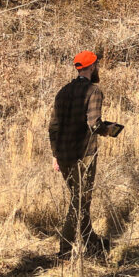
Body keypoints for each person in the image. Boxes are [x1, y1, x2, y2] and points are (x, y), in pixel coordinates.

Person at [48, 50, 113, 259]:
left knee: (80, 200)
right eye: (97, 65)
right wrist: (109, 130)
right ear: (92, 66)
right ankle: (65, 251)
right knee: (79, 202)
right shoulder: (94, 91)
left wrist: (55, 155)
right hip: (84, 154)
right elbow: (94, 124)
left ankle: (92, 242)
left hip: (64, 155)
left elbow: (53, 127)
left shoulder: (63, 91)